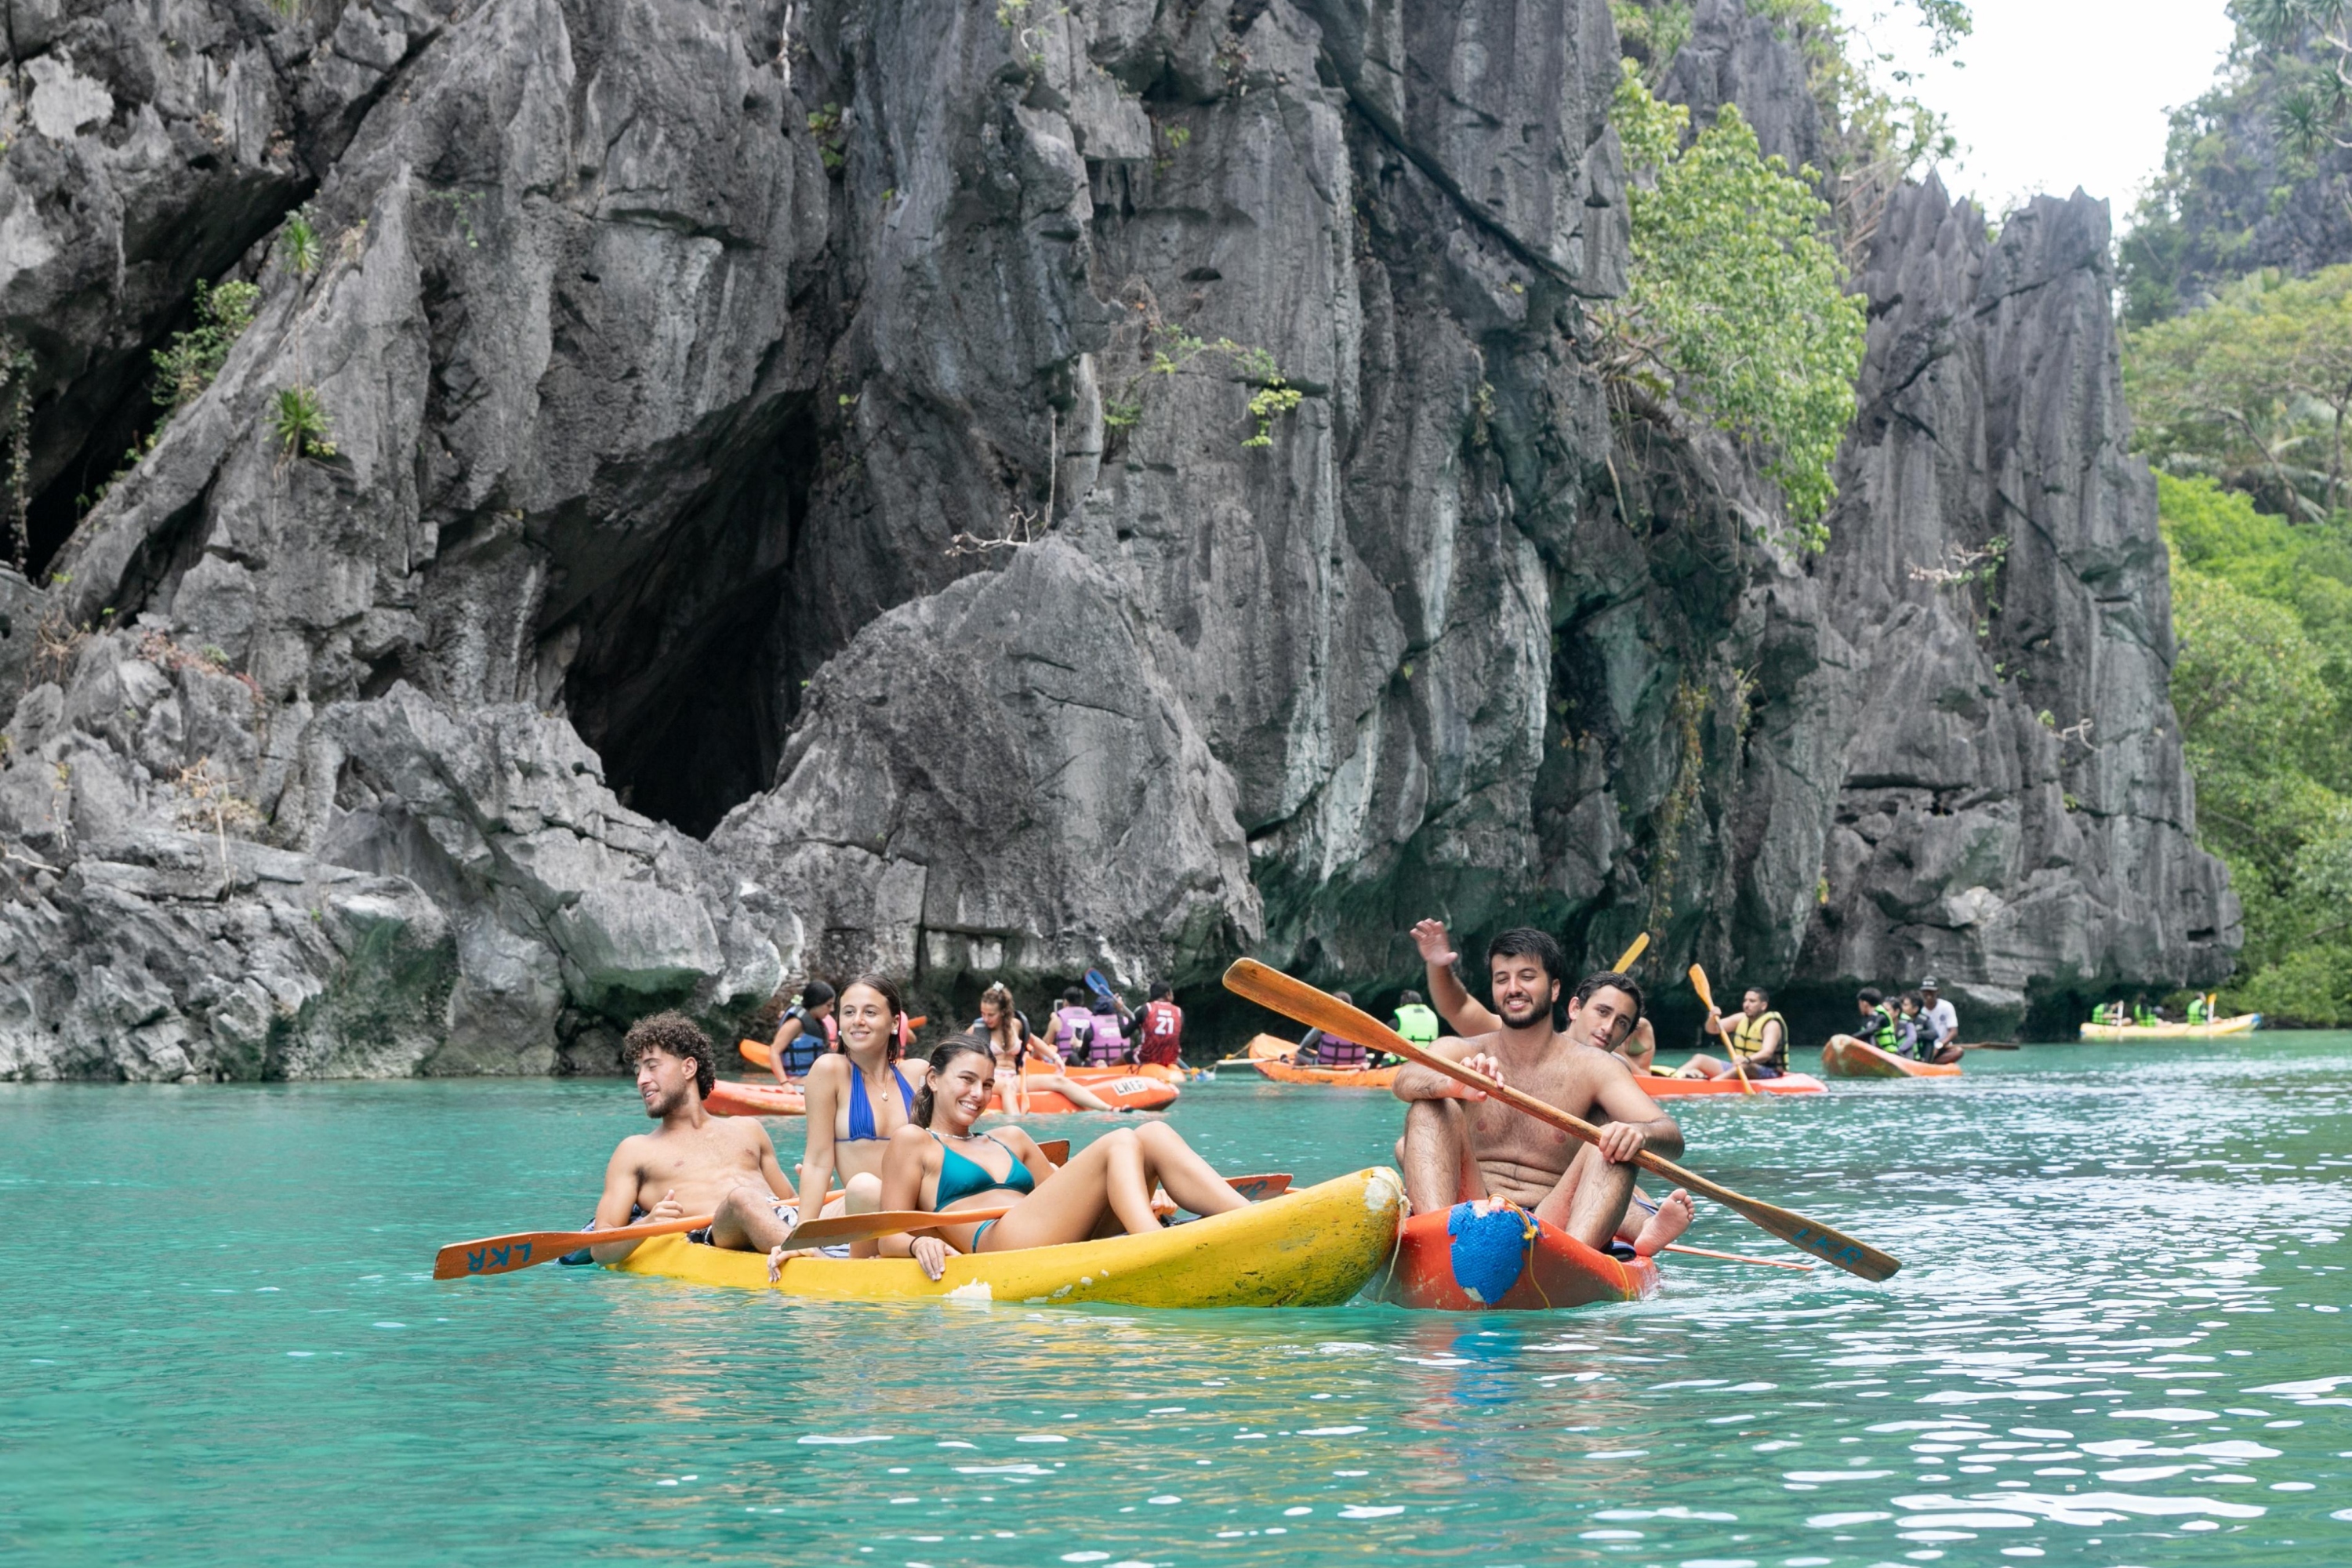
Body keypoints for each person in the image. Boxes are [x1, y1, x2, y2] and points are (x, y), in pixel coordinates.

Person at [1392, 927, 1693, 1257]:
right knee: (1431, 1107)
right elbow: (1405, 1080)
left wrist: (1637, 1133)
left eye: (1526, 976)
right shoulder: (1462, 1050)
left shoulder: (1597, 1067)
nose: (1513, 989)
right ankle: (1436, 1243)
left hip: (1554, 1222)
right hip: (1470, 1208)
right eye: (1502, 978)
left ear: (1554, 990)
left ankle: (1575, 1262)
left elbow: (1670, 1135)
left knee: (1613, 1139)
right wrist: (1452, 1085)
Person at [865, 1036, 1250, 1281]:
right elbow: (889, 1235)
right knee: (1119, 1141)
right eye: (966, 1080)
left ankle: (1249, 1218)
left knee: (1151, 1133)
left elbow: (1067, 1198)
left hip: (1049, 1232)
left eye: (986, 1085)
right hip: (1001, 1243)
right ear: (933, 1079)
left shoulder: (1011, 1138)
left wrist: (1144, 1195)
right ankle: (1155, 1245)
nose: (978, 1095)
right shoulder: (914, 1142)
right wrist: (917, 1245)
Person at [589, 1011, 804, 1263]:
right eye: (638, 1070)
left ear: (688, 1067)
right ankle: (817, 1262)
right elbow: (600, 1249)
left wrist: (811, 1192)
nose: (641, 1080)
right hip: (719, 1231)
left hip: (779, 1219)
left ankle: (831, 1257)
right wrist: (648, 1224)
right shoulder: (635, 1150)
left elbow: (791, 1205)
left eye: (652, 1066)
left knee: (860, 1188)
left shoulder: (749, 1129)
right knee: (742, 1198)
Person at [1411, 917, 1660, 1073]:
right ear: (1575, 1008)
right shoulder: (1515, 1039)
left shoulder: (1617, 1068)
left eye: (1622, 1023)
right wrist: (1438, 966)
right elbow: (1459, 1008)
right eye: (1602, 1012)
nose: (1607, 1028)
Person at [794, 974, 921, 1224]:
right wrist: (803, 1235)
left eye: (870, 1012)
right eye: (849, 1012)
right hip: (864, 1210)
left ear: (895, 1022)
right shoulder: (830, 1071)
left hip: (916, 1213)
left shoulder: (918, 1073)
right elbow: (818, 1161)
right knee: (865, 1187)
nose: (858, 1021)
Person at [973, 981, 1116, 1114]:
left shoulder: (1016, 1025)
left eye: (991, 1015)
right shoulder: (978, 1029)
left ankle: (1108, 1108)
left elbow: (1035, 1041)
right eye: (983, 1014)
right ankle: (1016, 1131)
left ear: (1003, 1012)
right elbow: (956, 1049)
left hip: (1014, 1078)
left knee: (1059, 1081)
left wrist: (1056, 1058)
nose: (986, 1019)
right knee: (1007, 1087)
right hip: (992, 1080)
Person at [1680, 986, 1788, 1080]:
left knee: (1746, 1066)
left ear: (1763, 1006)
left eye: (1752, 1001)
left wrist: (1746, 1060)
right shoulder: (1741, 1018)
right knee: (1700, 1058)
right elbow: (1712, 1029)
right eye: (1745, 1001)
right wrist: (1712, 1018)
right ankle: (1676, 1076)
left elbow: (1767, 1053)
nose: (1747, 1005)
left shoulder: (1771, 1025)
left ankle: (1714, 1084)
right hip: (1739, 1067)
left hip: (1768, 1072)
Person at [766, 980, 837, 1083]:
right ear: (816, 1002)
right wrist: (784, 1083)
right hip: (797, 1081)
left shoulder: (816, 1023)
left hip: (813, 1079)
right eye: (829, 1005)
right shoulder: (796, 1023)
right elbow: (774, 1051)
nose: (832, 1009)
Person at [1297, 992, 1370, 1069]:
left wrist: (1302, 1049)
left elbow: (1306, 1042)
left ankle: (1295, 1072)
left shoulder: (1325, 1023)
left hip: (1326, 1066)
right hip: (1358, 1066)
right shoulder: (1361, 1024)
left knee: (1299, 1053)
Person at [1827, 987, 1901, 1058]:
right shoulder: (1868, 1019)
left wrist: (1850, 1039)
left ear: (1864, 1004)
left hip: (1892, 1055)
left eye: (1859, 1003)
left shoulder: (1882, 1016)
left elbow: (1871, 1030)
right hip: (1881, 1054)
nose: (1859, 1007)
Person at [1138, 982, 1185, 1067]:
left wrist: (1119, 1011)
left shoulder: (1145, 1008)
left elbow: (1125, 1033)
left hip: (1148, 1058)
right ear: (1168, 994)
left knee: (1125, 1056)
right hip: (1172, 1058)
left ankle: (1109, 1072)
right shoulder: (1179, 1011)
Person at [1917, 977, 1961, 1064]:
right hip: (1923, 1046)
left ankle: (1931, 1062)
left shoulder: (1946, 1007)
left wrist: (1939, 1045)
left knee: (1958, 1051)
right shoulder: (1918, 1008)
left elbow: (1953, 1032)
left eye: (1931, 991)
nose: (1928, 994)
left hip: (1942, 1046)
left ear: (1938, 991)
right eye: (1926, 991)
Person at [1047, 988, 1096, 1063]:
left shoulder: (1058, 1019)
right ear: (1082, 1002)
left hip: (1066, 1064)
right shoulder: (1093, 1017)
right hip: (1088, 1063)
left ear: (1066, 1002)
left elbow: (1046, 1043)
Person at [1083, 994, 1131, 1067]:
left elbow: (1083, 1054)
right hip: (1122, 1070)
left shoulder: (1092, 1024)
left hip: (1099, 1070)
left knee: (1073, 1057)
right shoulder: (1125, 1022)